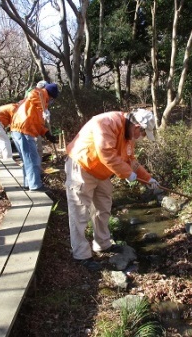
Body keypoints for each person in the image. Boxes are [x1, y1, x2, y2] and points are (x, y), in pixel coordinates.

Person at [65, 109, 160, 271]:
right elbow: (106, 153)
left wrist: (147, 178)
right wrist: (127, 174)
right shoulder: (106, 122)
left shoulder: (129, 135)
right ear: (137, 126)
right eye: (141, 133)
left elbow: (131, 161)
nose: (140, 137)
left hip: (103, 171)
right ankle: (81, 255)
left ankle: (102, 244)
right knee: (80, 211)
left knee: (103, 208)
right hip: (82, 166)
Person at [10, 82, 58, 191]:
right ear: (51, 95)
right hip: (24, 129)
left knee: (27, 159)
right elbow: (32, 94)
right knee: (33, 158)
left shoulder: (39, 106)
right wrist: (44, 108)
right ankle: (35, 185)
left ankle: (28, 183)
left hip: (21, 129)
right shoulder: (40, 93)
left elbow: (37, 123)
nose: (51, 102)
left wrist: (47, 134)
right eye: (52, 99)